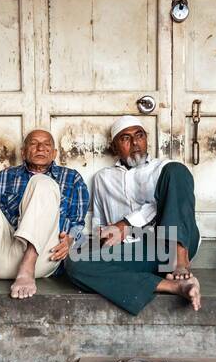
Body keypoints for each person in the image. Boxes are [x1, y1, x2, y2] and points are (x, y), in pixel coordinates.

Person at [62, 116, 201, 314]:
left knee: (177, 170)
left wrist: (125, 224)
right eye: (125, 138)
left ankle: (180, 265)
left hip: (168, 242)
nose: (135, 143)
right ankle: (174, 286)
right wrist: (99, 239)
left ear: (146, 139)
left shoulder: (163, 169)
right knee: (75, 263)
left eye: (139, 136)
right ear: (114, 147)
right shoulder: (103, 178)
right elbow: (99, 221)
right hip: (136, 251)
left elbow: (165, 205)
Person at [0, 128, 88, 310]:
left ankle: (26, 268)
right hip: (1, 253)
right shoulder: (5, 176)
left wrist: (70, 240)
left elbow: (78, 223)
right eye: (33, 143)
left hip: (42, 257)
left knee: (43, 183)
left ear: (54, 153)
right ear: (23, 152)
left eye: (47, 144)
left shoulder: (72, 178)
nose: (40, 148)